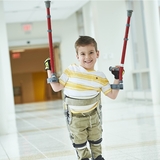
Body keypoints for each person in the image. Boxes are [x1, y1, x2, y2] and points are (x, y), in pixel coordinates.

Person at [44, 36, 122, 160]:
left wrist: (117, 77)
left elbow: (112, 95)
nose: (87, 57)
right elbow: (56, 87)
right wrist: (49, 69)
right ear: (77, 56)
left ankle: (98, 157)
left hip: (93, 116)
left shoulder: (100, 76)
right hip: (75, 118)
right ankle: (84, 157)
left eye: (91, 52)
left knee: (96, 139)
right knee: (79, 143)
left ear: (97, 53)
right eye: (83, 54)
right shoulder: (71, 70)